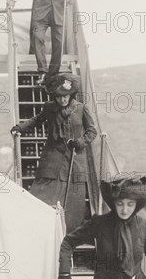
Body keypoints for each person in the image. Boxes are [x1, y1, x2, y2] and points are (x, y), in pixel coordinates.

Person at [10, 73, 97, 232]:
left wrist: (80, 142)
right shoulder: (49, 108)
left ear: (72, 95)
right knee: (41, 195)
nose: (63, 100)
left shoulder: (81, 109)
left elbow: (92, 132)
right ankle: (38, 228)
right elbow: (37, 120)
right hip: (52, 157)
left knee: (73, 200)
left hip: (74, 159)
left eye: (66, 96)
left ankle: (69, 234)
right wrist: (21, 128)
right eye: (59, 97)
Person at [7, 0, 75, 85]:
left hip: (58, 14)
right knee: (38, 38)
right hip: (41, 14)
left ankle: (52, 74)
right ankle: (42, 71)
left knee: (59, 44)